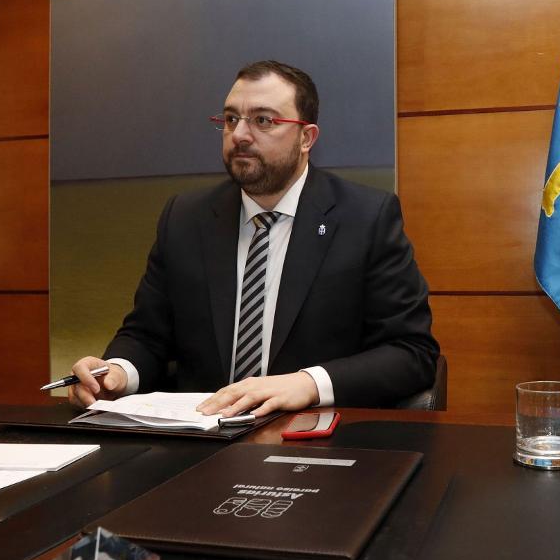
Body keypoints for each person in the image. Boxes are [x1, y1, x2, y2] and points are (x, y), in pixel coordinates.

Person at [68, 60, 438, 417]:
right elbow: (147, 336)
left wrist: (306, 383)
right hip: (198, 444)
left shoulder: (365, 218)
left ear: (306, 137)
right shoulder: (185, 218)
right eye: (231, 119)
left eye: (263, 120)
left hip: (316, 446)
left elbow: (411, 353)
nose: (240, 135)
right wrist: (115, 373)